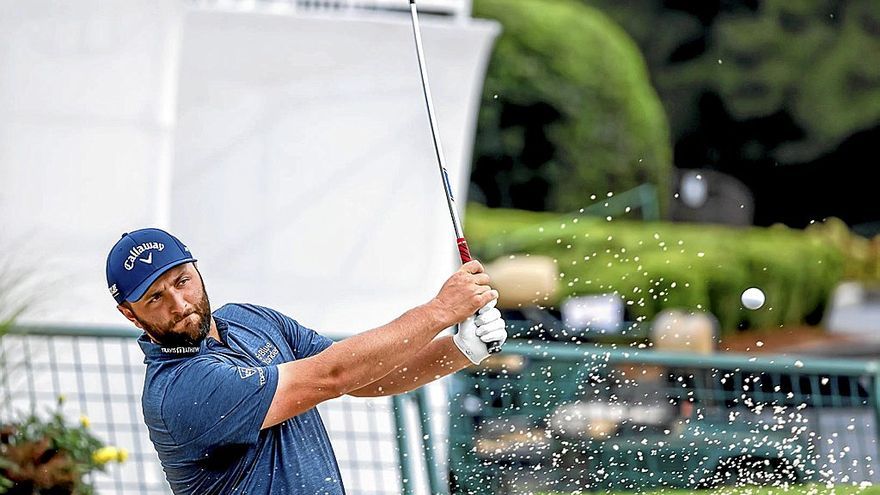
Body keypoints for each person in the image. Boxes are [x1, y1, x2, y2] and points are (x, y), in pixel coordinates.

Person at [105, 227, 507, 494]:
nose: (179, 304)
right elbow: (333, 375)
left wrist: (459, 349)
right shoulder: (180, 388)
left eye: (182, 281)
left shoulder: (249, 319)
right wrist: (439, 311)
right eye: (155, 298)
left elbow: (364, 378)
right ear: (130, 313)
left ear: (196, 269)